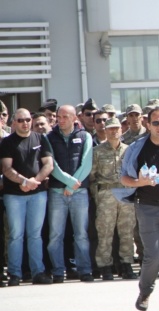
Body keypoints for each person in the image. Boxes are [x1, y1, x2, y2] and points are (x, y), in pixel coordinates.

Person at [120, 106, 159, 311]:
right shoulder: (136, 148)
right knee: (153, 255)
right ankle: (145, 292)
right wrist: (140, 182)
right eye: (155, 123)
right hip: (147, 208)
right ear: (147, 124)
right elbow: (124, 179)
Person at [0, 108, 54, 285]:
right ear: (14, 122)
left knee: (35, 234)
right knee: (16, 235)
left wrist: (34, 182)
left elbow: (48, 165)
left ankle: (37, 272)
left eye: (27, 119)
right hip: (14, 195)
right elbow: (6, 168)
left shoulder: (40, 138)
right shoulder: (7, 142)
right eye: (21, 120)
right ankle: (15, 274)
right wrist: (24, 182)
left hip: (37, 194)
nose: (25, 123)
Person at [46, 105, 94, 282]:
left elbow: (86, 163)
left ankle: (85, 270)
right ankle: (58, 271)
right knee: (55, 235)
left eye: (65, 116)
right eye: (59, 116)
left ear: (75, 118)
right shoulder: (49, 137)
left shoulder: (85, 136)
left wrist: (73, 186)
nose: (61, 119)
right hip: (57, 192)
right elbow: (52, 165)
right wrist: (70, 182)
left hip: (79, 193)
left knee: (81, 234)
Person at [89, 117, 137, 280]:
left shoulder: (129, 150)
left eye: (116, 128)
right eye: (110, 129)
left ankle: (127, 264)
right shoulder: (97, 151)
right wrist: (99, 195)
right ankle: (105, 266)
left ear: (121, 130)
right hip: (106, 194)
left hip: (125, 193)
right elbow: (92, 176)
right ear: (105, 131)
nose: (114, 131)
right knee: (105, 231)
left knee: (126, 231)